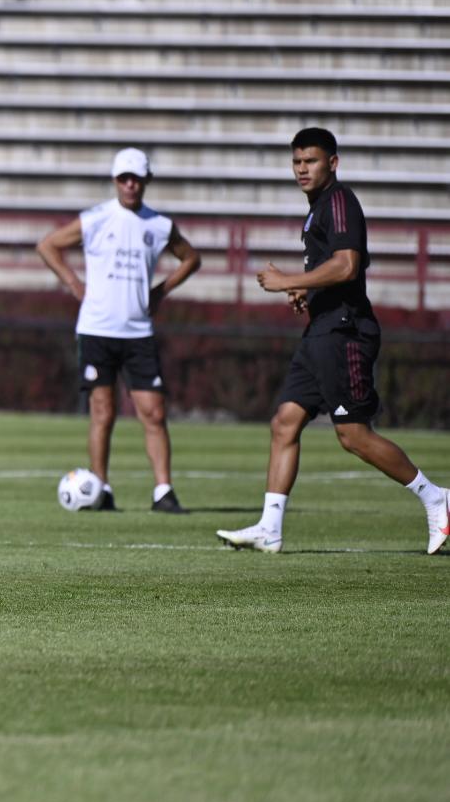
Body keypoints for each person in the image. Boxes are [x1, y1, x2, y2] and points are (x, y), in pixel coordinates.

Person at [219, 127, 448, 553]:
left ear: (333, 163)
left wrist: (289, 279)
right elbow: (333, 271)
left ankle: (436, 497)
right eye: (296, 161)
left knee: (353, 435)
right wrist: (305, 290)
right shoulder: (318, 209)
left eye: (311, 160)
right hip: (320, 331)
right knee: (285, 422)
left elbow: (346, 266)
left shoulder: (339, 200)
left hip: (345, 332)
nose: (302, 169)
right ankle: (270, 527)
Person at [37, 147, 201, 514]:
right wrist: (74, 283)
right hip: (97, 329)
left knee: (153, 412)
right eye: (124, 178)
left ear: (146, 181)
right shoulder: (96, 219)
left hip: (138, 331)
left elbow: (191, 258)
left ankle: (163, 491)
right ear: (115, 181)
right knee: (103, 411)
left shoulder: (158, 225)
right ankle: (101, 489)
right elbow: (48, 246)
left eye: (136, 179)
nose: (130, 185)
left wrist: (161, 290)